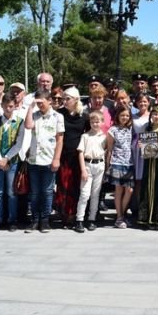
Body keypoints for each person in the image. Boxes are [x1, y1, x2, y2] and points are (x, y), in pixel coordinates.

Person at [24, 90, 65, 233]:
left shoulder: (58, 117)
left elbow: (60, 140)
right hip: (34, 160)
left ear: (49, 101)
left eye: (42, 102)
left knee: (47, 191)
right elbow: (28, 126)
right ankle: (35, 219)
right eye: (38, 103)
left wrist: (56, 159)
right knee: (35, 192)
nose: (40, 105)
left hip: (48, 159)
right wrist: (30, 107)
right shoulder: (34, 115)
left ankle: (45, 220)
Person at [0, 94, 26, 232]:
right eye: (6, 106)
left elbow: (18, 144)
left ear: (15, 106)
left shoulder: (20, 122)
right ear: (2, 106)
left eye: (11, 106)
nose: (9, 109)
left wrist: (7, 158)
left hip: (12, 162)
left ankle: (12, 220)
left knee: (11, 192)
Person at [55, 87, 88, 227]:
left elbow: (88, 134)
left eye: (67, 98)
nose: (64, 101)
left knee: (75, 187)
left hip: (77, 157)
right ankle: (63, 214)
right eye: (63, 98)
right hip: (63, 156)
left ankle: (74, 214)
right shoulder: (59, 114)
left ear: (76, 100)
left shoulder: (84, 116)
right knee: (63, 186)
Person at [74, 111, 109, 233]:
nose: (95, 124)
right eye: (93, 122)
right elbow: (80, 152)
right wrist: (83, 169)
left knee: (96, 194)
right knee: (84, 194)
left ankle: (92, 219)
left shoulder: (104, 137)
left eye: (97, 121)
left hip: (100, 165)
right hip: (88, 165)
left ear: (102, 122)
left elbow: (107, 152)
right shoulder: (85, 136)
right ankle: (79, 219)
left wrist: (106, 169)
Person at [107, 106, 135, 229]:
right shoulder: (113, 130)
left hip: (129, 163)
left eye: (127, 116)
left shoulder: (131, 129)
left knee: (129, 190)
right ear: (118, 116)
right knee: (118, 191)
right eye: (122, 115)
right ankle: (119, 217)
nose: (125, 117)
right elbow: (109, 149)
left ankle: (121, 215)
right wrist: (108, 166)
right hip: (117, 163)